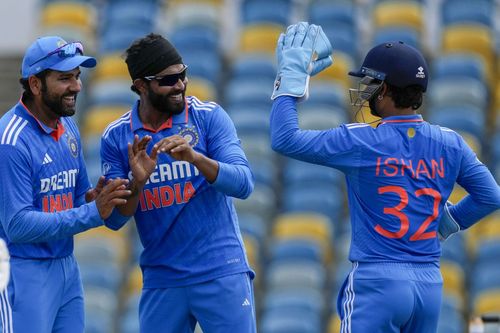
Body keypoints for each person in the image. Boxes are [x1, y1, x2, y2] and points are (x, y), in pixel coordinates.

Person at [270, 22, 500, 333]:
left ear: (387, 90)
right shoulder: (451, 142)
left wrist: (290, 84)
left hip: (378, 283)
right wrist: (445, 225)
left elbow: (285, 139)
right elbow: (491, 196)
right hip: (429, 285)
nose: (366, 91)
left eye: (372, 83)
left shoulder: (361, 140)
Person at [100, 33, 256, 333]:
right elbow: (116, 221)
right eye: (169, 80)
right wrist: (138, 182)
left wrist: (195, 158)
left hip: (220, 269)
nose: (180, 86)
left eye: (182, 75)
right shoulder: (117, 137)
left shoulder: (209, 117)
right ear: (141, 86)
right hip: (163, 279)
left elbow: (244, 183)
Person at [0, 36, 131, 333]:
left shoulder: (67, 125)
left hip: (66, 269)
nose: (76, 86)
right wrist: (92, 212)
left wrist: (100, 197)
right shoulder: (11, 140)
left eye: (77, 76)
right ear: (35, 84)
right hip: (23, 272)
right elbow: (18, 225)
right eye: (64, 78)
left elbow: (77, 200)